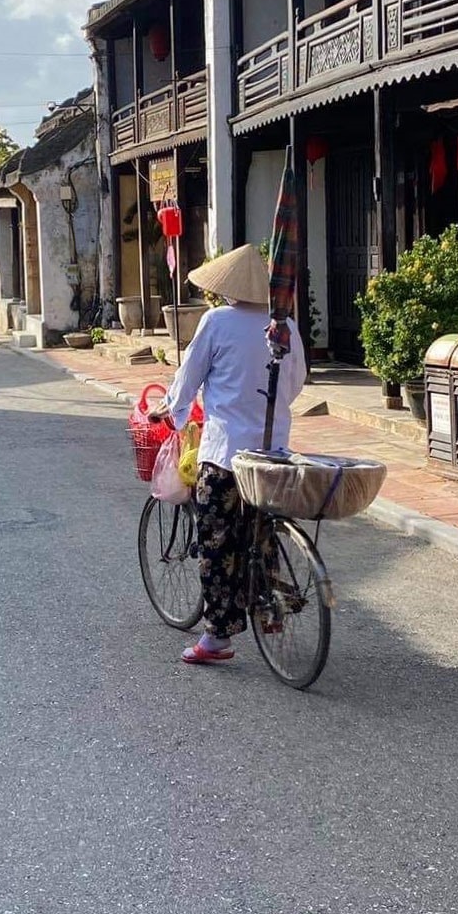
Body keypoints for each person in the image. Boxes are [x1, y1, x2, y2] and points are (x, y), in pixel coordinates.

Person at [151, 244, 306, 666]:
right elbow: (294, 385)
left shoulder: (216, 321)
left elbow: (189, 378)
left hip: (224, 452)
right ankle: (268, 605)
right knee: (261, 531)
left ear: (226, 288)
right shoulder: (284, 324)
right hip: (273, 451)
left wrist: (171, 408)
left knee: (217, 541)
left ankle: (217, 637)